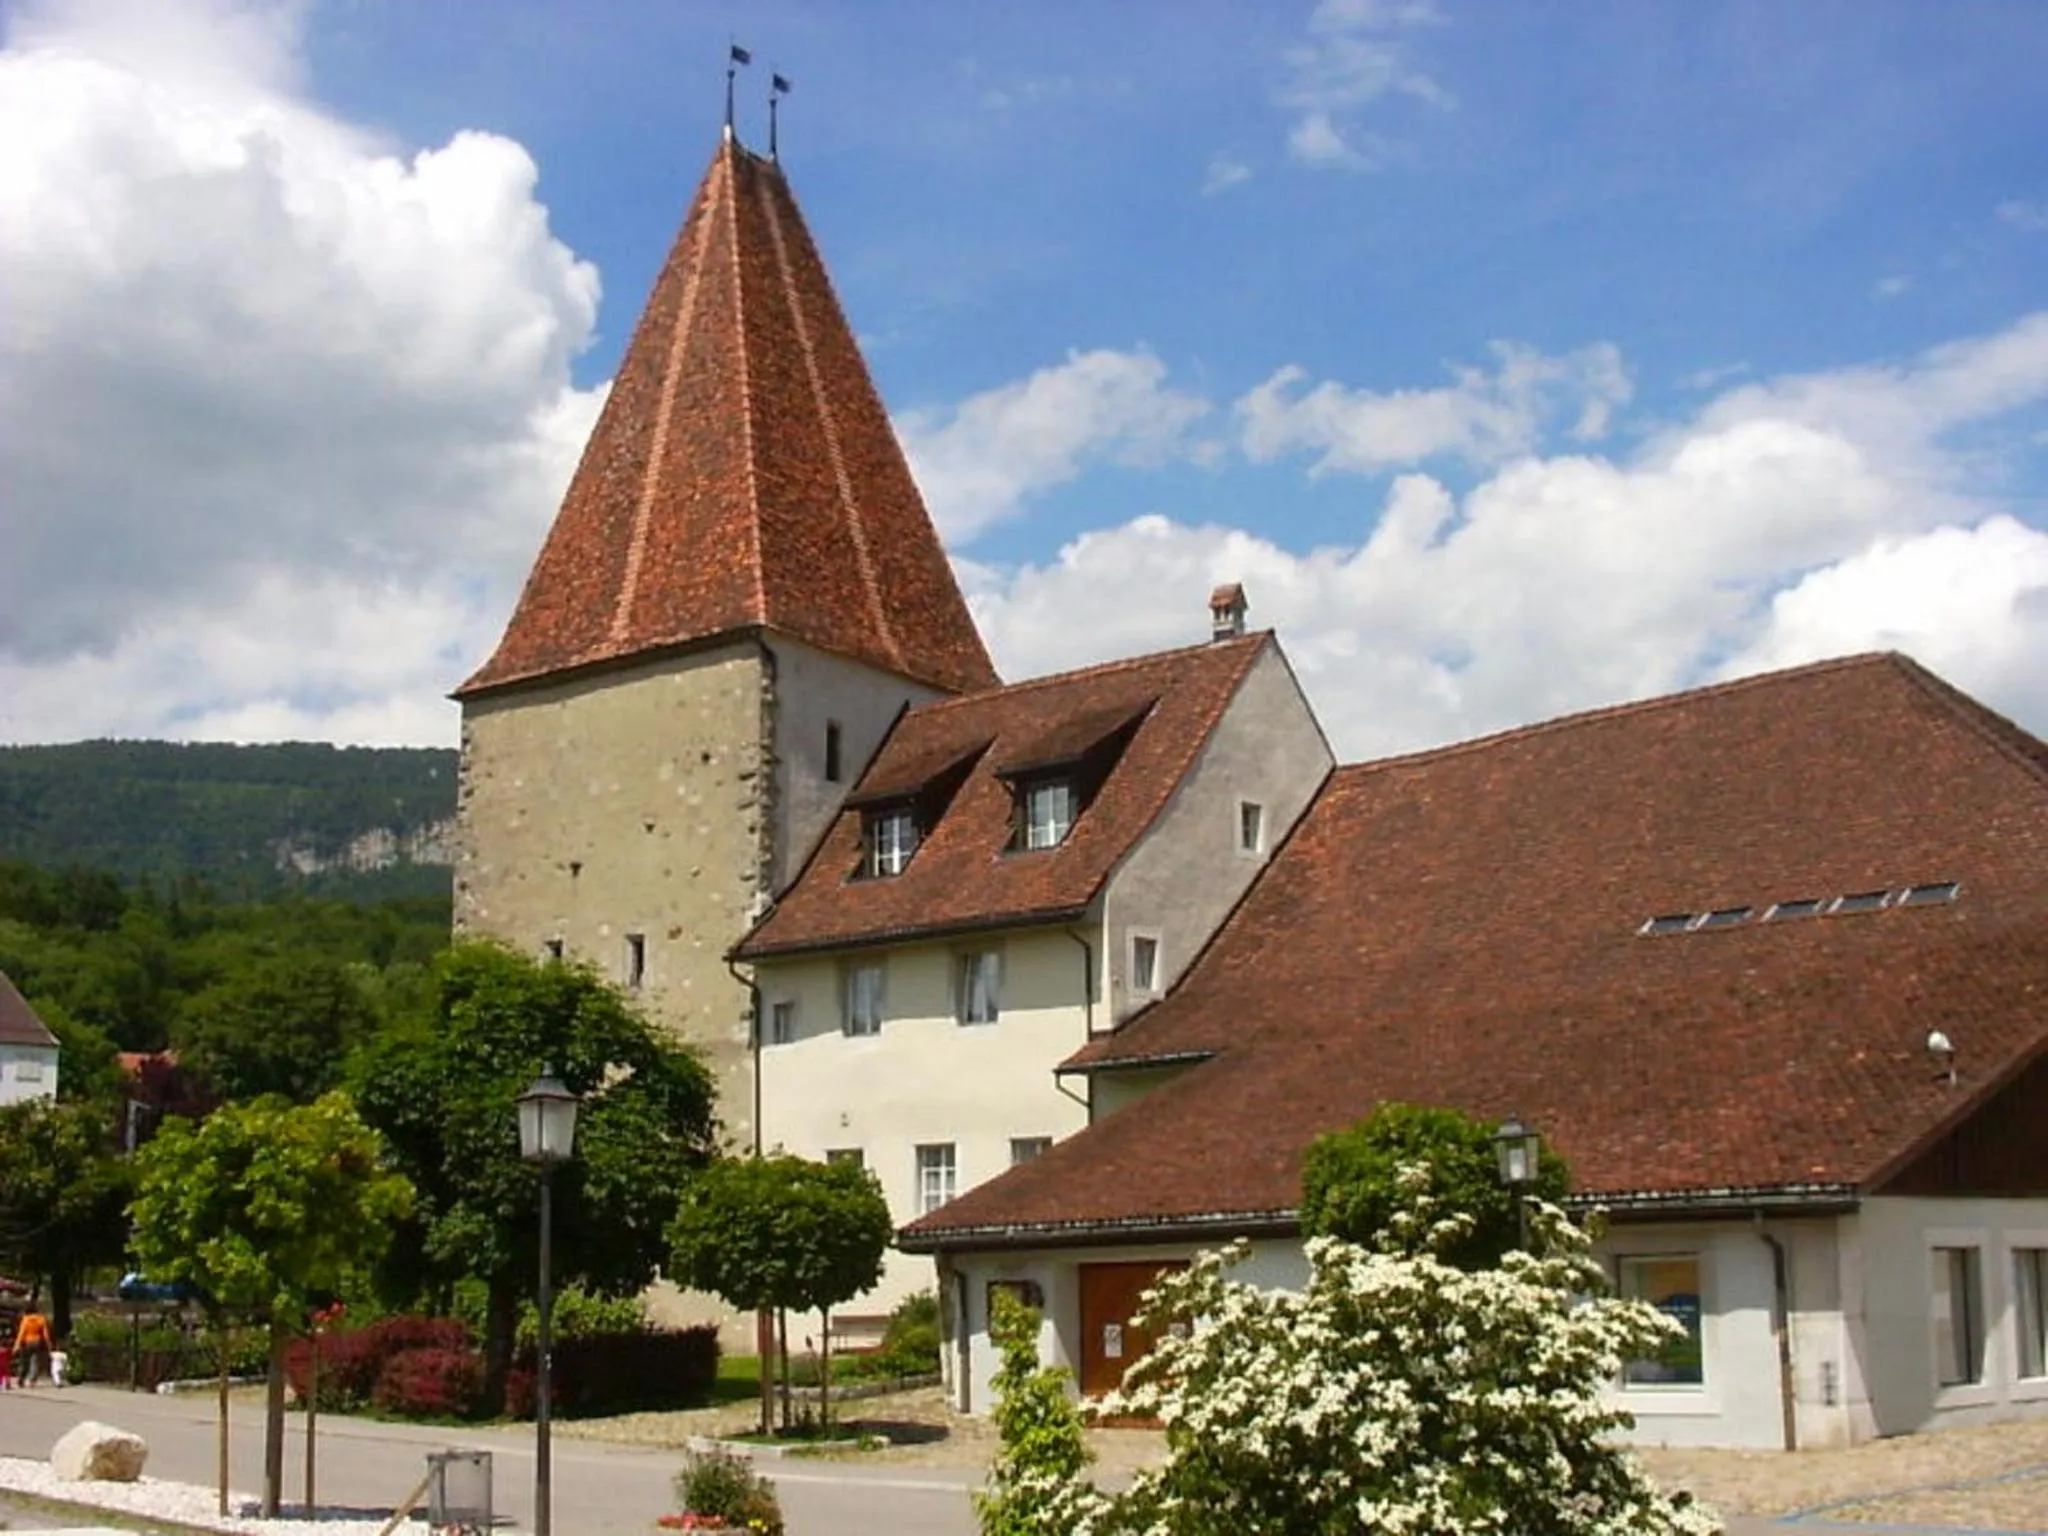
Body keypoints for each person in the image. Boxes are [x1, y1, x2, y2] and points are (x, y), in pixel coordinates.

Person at [12, 1306, 52, 1387]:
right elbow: (45, 1334)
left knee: (24, 1362)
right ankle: (32, 1380)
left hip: (26, 1342)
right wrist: (48, 1344)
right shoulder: (41, 1319)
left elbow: (21, 1333)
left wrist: (16, 1345)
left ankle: (21, 1379)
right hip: (37, 1342)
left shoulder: (25, 1320)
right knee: (35, 1361)